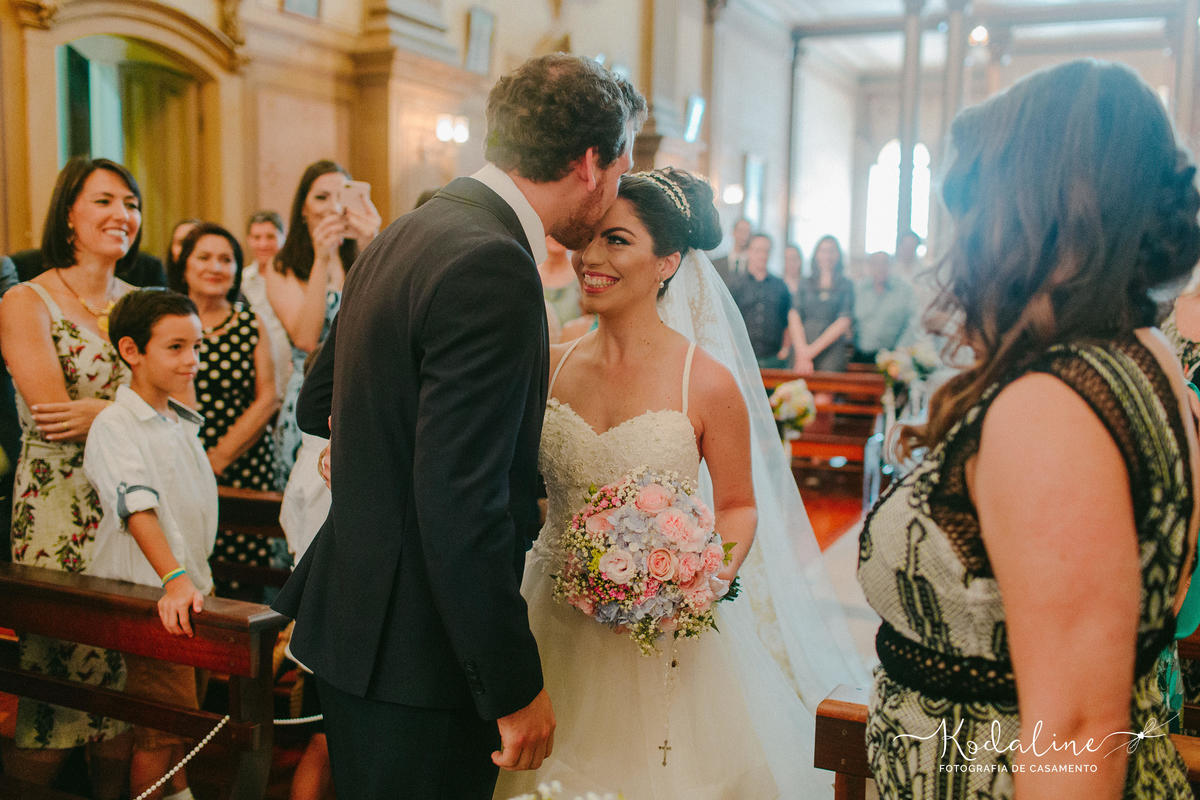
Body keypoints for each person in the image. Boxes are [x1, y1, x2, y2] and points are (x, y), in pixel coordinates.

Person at [272, 53, 646, 800]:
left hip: (359, 633)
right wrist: (512, 687)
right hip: (422, 656)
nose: (611, 200)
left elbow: (322, 403)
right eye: (620, 169)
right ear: (588, 162)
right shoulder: (493, 265)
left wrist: (382, 443)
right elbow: (460, 503)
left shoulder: (406, 232)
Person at [858, 59, 1200, 798]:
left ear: (1030, 206)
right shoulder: (1145, 349)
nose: (964, 230)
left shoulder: (1050, 408)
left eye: (974, 200)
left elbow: (1077, 730)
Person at [495, 167, 868, 799]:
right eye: (589, 239)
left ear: (667, 261)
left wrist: (696, 580)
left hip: (662, 631)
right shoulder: (549, 364)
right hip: (548, 615)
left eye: (617, 240)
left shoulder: (708, 381)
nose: (591, 257)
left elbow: (740, 506)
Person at [0, 157, 140, 796]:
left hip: (131, 509)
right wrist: (132, 413)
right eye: (106, 201)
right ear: (69, 216)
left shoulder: (142, 305)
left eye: (132, 204)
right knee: (57, 696)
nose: (124, 216)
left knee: (123, 699)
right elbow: (54, 416)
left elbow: (180, 414)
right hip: (57, 512)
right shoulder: (25, 299)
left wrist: (108, 413)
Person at [83, 288, 217, 800]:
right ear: (131, 351)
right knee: (161, 735)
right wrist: (174, 579)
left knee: (179, 729)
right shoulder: (115, 424)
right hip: (155, 596)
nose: (192, 361)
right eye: (176, 347)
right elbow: (135, 505)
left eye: (197, 346)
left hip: (189, 591)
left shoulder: (175, 419)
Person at [266, 160, 380, 488]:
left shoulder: (361, 257)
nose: (332, 206)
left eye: (341, 196)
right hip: (310, 396)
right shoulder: (283, 265)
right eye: (321, 197)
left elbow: (385, 314)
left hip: (360, 393)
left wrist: (372, 242)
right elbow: (305, 337)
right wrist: (321, 257)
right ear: (303, 208)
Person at [169, 222, 278, 491]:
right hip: (174, 462)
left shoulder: (251, 322)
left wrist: (216, 460)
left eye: (226, 260)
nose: (215, 268)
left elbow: (268, 398)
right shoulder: (164, 321)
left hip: (244, 463)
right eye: (204, 258)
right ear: (184, 265)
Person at [243, 210, 293, 394]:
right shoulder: (242, 282)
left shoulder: (294, 280)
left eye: (270, 236)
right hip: (255, 374)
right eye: (257, 237)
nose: (263, 244)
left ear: (283, 237)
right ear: (249, 240)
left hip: (290, 370)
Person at [790, 234, 854, 373]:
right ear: (816, 254)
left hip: (831, 349)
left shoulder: (846, 284)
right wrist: (802, 351)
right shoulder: (805, 282)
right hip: (803, 344)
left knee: (824, 393)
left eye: (831, 251)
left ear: (838, 255)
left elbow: (844, 320)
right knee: (796, 392)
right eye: (823, 251)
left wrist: (810, 352)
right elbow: (794, 315)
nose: (827, 255)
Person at [728, 232, 792, 368]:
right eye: (758, 250)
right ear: (749, 252)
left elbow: (788, 321)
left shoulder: (780, 285)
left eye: (766, 251)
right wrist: (733, 351)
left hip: (774, 359)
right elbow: (728, 320)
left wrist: (785, 350)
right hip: (742, 358)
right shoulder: (736, 285)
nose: (762, 255)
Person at [851, 250, 914, 364]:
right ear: (869, 266)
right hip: (861, 355)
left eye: (885, 263)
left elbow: (911, 323)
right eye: (875, 263)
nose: (880, 268)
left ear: (891, 266)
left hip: (893, 357)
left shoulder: (904, 290)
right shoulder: (858, 289)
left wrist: (899, 352)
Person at [539, 235, 582, 327]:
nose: (555, 237)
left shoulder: (581, 275)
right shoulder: (531, 273)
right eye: (552, 231)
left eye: (560, 231)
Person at [711, 217, 751, 284]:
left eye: (747, 232)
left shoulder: (753, 266)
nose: (744, 235)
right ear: (733, 232)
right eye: (740, 231)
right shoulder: (716, 264)